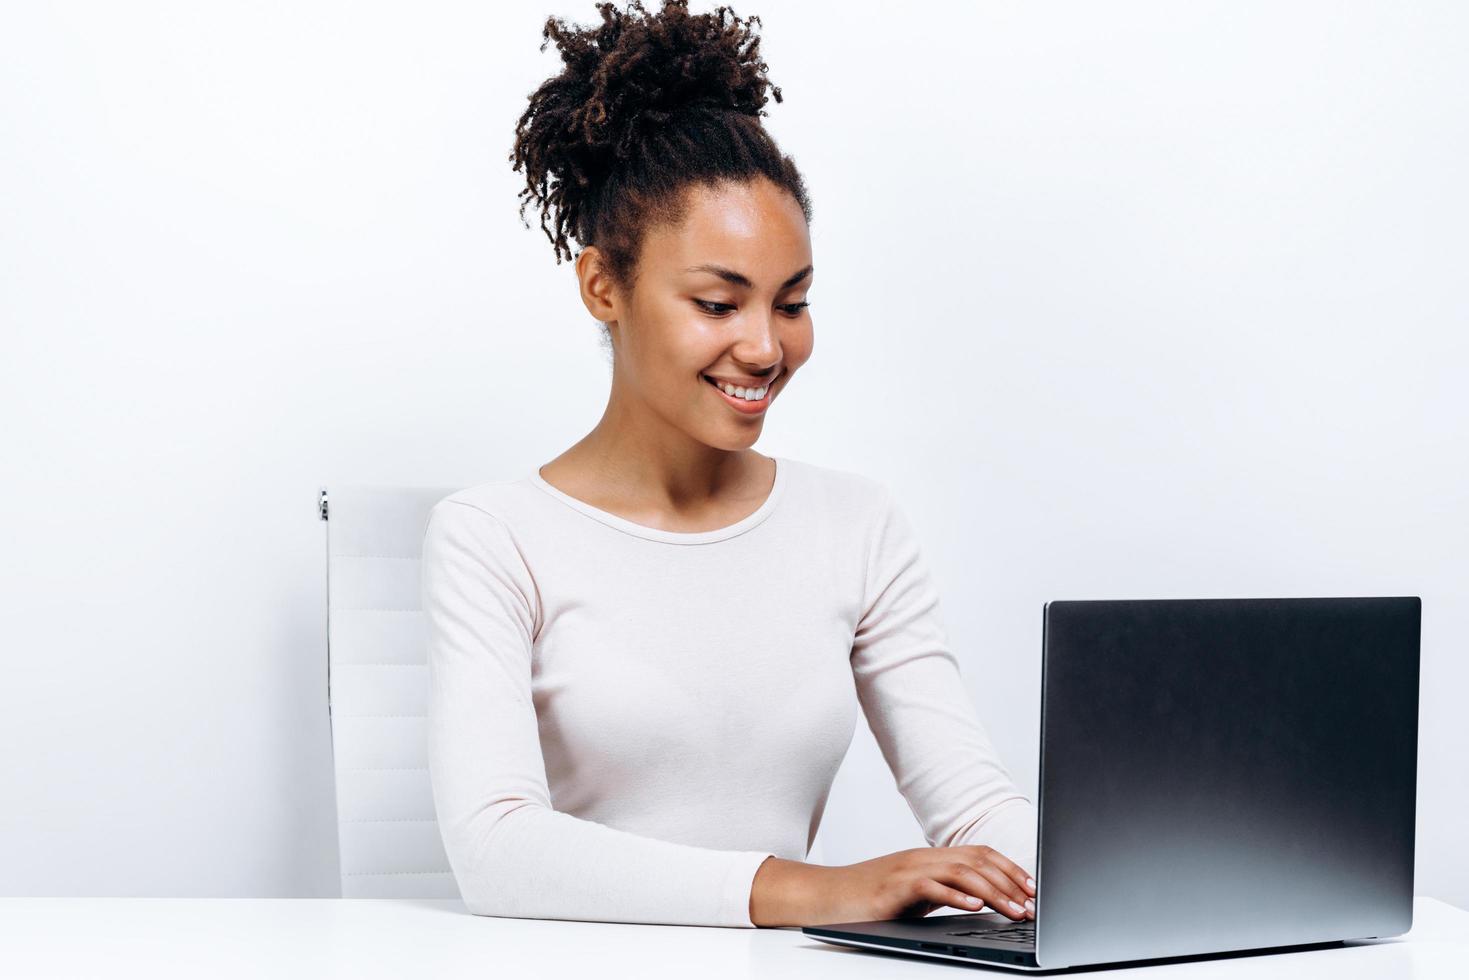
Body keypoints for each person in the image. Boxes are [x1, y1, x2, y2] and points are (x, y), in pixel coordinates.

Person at [421, 0, 1037, 929]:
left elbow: (974, 806)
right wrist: (815, 891)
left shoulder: (854, 525)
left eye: (791, 303)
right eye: (717, 303)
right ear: (603, 287)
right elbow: (497, 847)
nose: (763, 347)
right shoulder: (495, 536)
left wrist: (1087, 878)